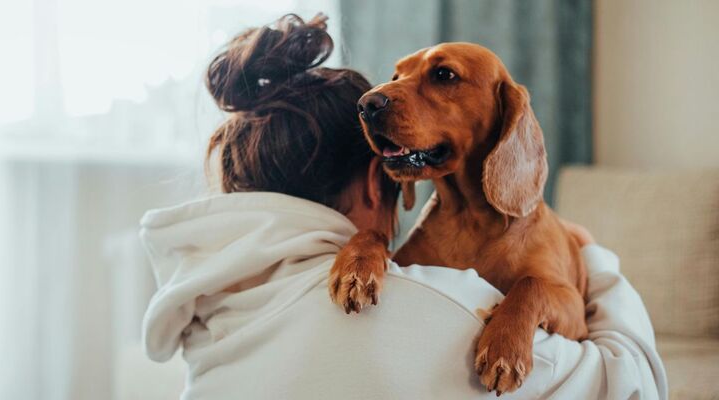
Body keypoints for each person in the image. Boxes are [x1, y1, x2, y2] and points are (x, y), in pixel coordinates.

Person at [141, 14, 667, 399]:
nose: (388, 94)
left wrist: (529, 300)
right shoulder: (427, 306)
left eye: (443, 76)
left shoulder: (212, 304)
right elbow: (634, 383)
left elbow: (564, 307)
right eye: (398, 78)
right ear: (379, 181)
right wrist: (595, 256)